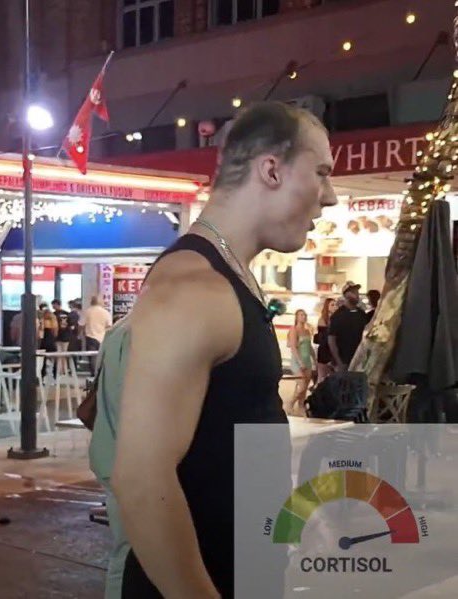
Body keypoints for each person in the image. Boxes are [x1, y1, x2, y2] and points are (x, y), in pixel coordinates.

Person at [89, 101, 337, 598]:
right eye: (322, 173)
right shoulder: (196, 288)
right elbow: (140, 482)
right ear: (272, 170)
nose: (329, 197)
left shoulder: (228, 279)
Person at [328, 281, 368, 371]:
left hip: (359, 360)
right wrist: (339, 362)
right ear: (346, 295)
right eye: (353, 292)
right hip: (343, 361)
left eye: (357, 292)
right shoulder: (337, 316)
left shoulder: (361, 314)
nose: (357, 295)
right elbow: (331, 339)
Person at [287, 309, 316, 415]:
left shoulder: (307, 331)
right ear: (297, 317)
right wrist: (300, 362)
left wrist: (314, 359)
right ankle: (290, 403)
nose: (304, 317)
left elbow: (309, 347)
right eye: (301, 315)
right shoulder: (294, 330)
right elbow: (293, 347)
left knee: (305, 387)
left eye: (305, 315)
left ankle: (301, 406)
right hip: (297, 361)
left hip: (307, 361)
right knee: (302, 385)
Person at [83, 295, 113, 375]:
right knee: (102, 356)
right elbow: (109, 326)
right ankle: (101, 373)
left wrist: (80, 334)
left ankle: (94, 374)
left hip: (90, 336)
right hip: (103, 337)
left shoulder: (88, 311)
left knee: (92, 357)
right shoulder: (105, 312)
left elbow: (81, 324)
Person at [314, 297, 337, 383]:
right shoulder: (323, 319)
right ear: (327, 307)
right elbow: (324, 337)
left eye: (335, 305)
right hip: (324, 351)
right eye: (332, 305)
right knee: (322, 377)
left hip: (333, 351)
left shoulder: (336, 318)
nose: (335, 307)